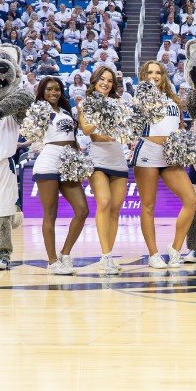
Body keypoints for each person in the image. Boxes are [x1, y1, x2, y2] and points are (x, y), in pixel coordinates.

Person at [131, 61, 196, 269]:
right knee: (148, 205)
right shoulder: (141, 97)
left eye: (158, 72)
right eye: (150, 72)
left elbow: (179, 125)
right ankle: (153, 254)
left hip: (170, 155)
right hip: (148, 152)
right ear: (143, 75)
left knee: (192, 200)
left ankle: (175, 249)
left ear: (164, 75)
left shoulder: (173, 99)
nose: (154, 75)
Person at [29, 77, 89, 275]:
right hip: (48, 163)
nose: (54, 92)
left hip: (68, 163)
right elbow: (31, 131)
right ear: (42, 92)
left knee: (82, 210)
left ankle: (65, 253)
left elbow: (72, 139)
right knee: (50, 215)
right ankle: (52, 261)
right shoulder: (40, 110)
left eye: (57, 89)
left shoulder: (65, 112)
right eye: (49, 89)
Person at [77, 67, 128, 275]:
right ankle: (105, 257)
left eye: (109, 80)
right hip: (97, 160)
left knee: (115, 210)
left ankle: (108, 255)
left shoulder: (119, 104)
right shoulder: (85, 103)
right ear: (95, 81)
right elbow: (88, 131)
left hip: (118, 160)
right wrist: (99, 117)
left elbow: (124, 131)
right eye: (102, 79)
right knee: (104, 203)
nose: (105, 83)